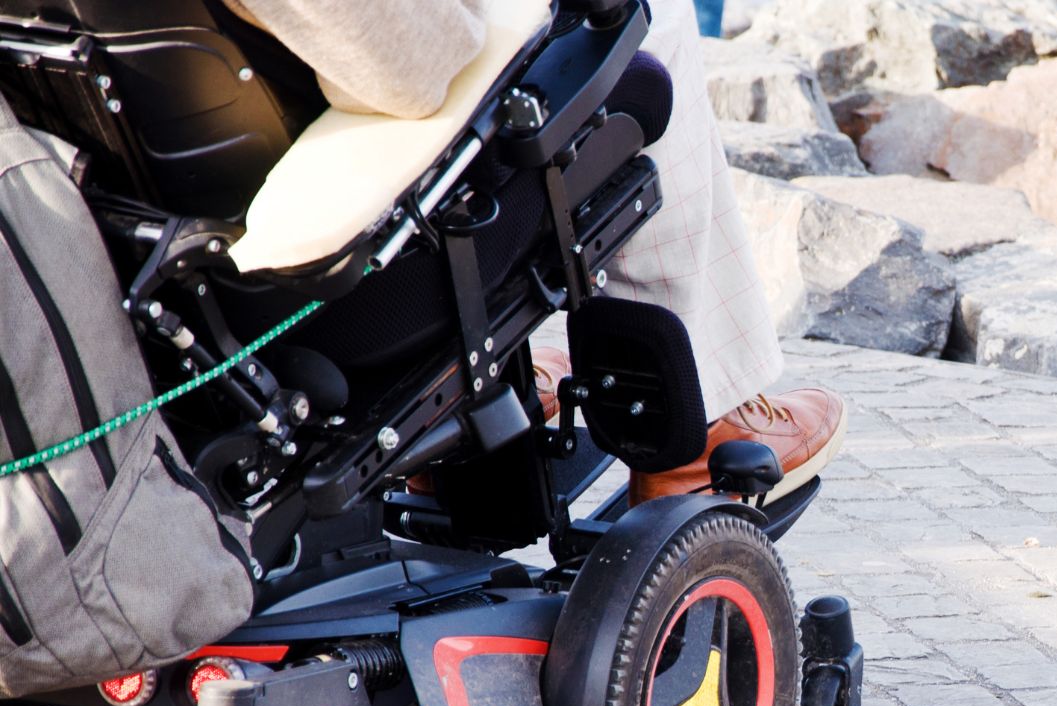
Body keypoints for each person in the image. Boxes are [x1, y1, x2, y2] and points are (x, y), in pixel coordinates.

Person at [218, 0, 843, 502]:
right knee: (643, 25)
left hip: (211, 299)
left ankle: (491, 387)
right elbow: (411, 65)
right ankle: (692, 424)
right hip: (342, 295)